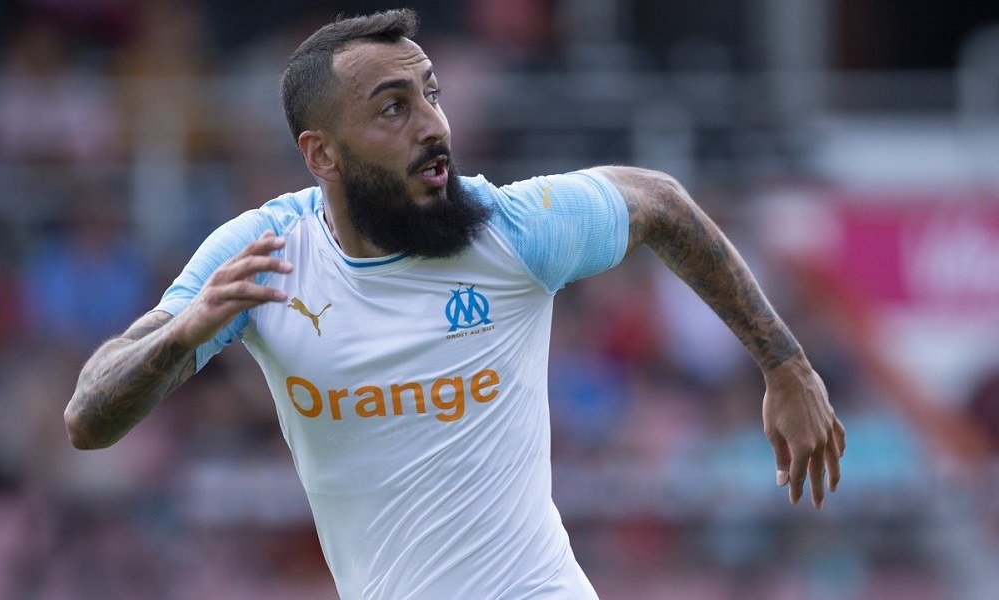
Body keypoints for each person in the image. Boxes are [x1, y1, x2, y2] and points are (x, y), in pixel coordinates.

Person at [65, 9, 846, 599]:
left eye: (431, 94)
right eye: (393, 107)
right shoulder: (264, 255)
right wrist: (183, 336)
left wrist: (786, 365)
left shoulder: (512, 228)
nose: (434, 125)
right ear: (321, 153)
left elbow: (662, 204)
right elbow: (87, 420)